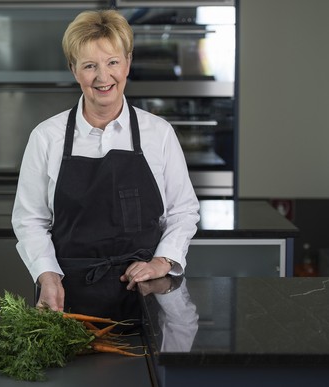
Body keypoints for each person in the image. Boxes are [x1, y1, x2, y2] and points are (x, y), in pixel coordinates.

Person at [11, 9, 200, 320]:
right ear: (73, 70)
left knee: (145, 368)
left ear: (127, 62)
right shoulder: (47, 137)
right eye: (89, 66)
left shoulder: (159, 134)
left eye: (112, 62)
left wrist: (163, 261)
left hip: (144, 295)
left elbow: (183, 211)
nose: (103, 77)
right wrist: (47, 275)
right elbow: (30, 220)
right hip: (68, 299)